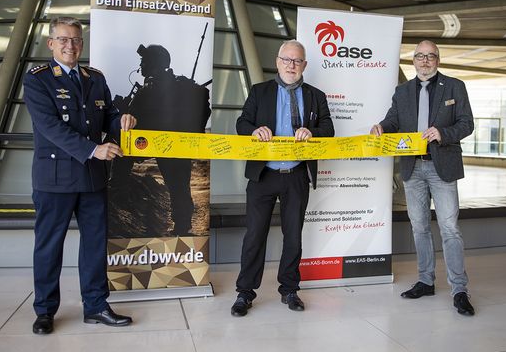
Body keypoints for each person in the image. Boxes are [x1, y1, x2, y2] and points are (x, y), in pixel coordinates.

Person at [23, 17, 137, 335]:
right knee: (49, 246)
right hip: (54, 179)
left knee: (95, 245)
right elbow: (51, 128)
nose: (70, 45)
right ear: (50, 43)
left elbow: (108, 115)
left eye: (75, 40)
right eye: (63, 40)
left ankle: (96, 306)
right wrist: (94, 149)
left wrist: (122, 120)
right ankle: (45, 311)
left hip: (91, 179)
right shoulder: (38, 79)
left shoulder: (94, 78)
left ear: (82, 44)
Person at [370, 40, 475, 316]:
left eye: (430, 56)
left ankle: (459, 289)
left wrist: (443, 133)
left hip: (443, 167)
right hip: (412, 168)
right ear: (413, 60)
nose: (425, 61)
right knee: (420, 228)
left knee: (450, 229)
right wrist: (381, 126)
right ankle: (426, 281)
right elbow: (393, 120)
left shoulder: (455, 87)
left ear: (437, 60)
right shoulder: (402, 91)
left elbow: (467, 123)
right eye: (420, 56)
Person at [231, 40, 335, 317]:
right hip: (263, 174)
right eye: (287, 60)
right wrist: (253, 131)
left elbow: (328, 128)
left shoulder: (316, 95)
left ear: (304, 65)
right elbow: (241, 123)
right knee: (254, 235)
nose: (291, 65)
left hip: (297, 175)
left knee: (293, 236)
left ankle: (289, 289)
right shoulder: (259, 91)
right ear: (277, 62)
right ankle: (245, 293)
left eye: (297, 61)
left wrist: (312, 132)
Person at [111, 44, 211, 235]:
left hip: (155, 144)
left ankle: (117, 193)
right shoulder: (181, 85)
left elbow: (132, 119)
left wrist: (122, 107)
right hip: (177, 146)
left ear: (153, 63)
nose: (141, 65)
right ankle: (182, 226)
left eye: (144, 61)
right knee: (179, 187)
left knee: (119, 150)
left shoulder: (149, 89)